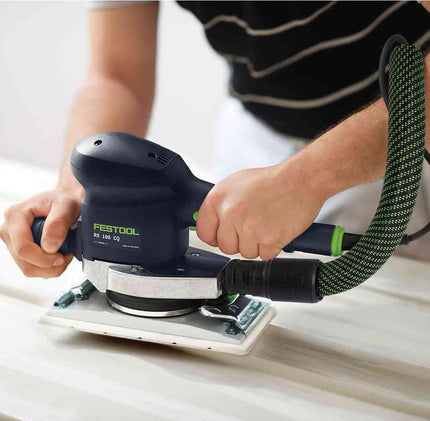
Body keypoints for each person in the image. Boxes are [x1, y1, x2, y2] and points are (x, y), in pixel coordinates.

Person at [1, 1, 430, 279]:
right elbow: (118, 77)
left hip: (407, 141)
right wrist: (77, 192)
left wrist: (308, 178)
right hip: (257, 139)